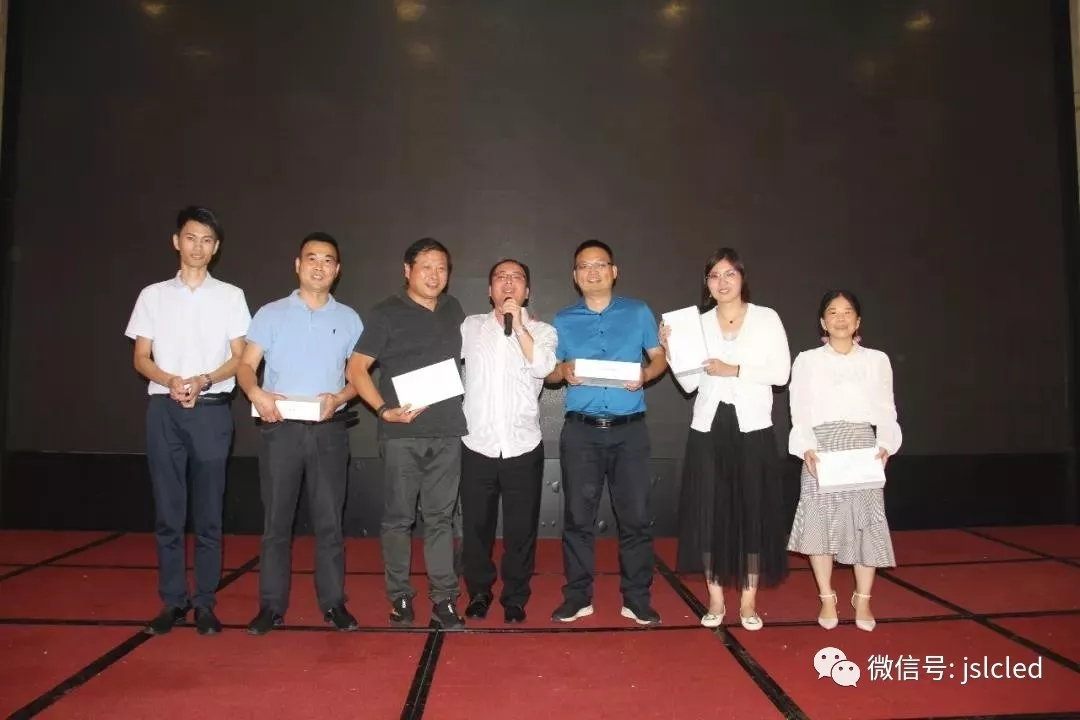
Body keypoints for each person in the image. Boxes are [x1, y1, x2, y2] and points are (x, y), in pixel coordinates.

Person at [124, 205, 250, 636]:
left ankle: (205, 603)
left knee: (209, 513)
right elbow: (141, 357)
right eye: (191, 238)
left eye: (207, 240)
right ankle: (173, 601)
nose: (198, 247)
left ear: (216, 248)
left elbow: (240, 358)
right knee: (168, 512)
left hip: (212, 411)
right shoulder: (153, 295)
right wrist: (171, 380)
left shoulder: (231, 296)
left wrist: (202, 380)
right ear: (177, 241)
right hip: (164, 410)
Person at [237, 233, 363, 635]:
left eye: (328, 260)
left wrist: (339, 397)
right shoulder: (270, 313)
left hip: (329, 432)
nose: (319, 266)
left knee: (330, 523)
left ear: (337, 270)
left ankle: (334, 603)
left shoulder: (350, 319)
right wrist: (256, 393)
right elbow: (246, 365)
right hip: (281, 431)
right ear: (298, 265)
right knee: (276, 524)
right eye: (312, 258)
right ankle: (271, 606)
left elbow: (359, 377)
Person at [663, 247, 790, 631]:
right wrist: (671, 350)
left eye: (729, 274)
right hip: (708, 428)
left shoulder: (766, 318)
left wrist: (734, 369)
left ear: (742, 278)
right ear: (707, 283)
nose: (722, 282)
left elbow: (781, 373)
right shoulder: (697, 323)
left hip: (752, 428)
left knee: (753, 513)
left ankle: (748, 603)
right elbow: (689, 384)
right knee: (709, 514)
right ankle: (715, 598)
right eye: (714, 276)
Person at [346, 238, 467, 629]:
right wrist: (383, 410)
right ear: (407, 270)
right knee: (398, 519)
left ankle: (444, 599)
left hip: (447, 432)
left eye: (441, 268)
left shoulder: (454, 309)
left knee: (441, 519)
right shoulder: (385, 312)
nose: (434, 275)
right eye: (426, 266)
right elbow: (356, 369)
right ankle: (399, 596)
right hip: (402, 435)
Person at [546, 239, 668, 626]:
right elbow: (549, 373)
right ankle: (577, 597)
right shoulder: (563, 320)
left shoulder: (638, 312)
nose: (593, 272)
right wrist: (562, 371)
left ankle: (637, 598)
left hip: (629, 432)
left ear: (614, 271)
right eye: (584, 266)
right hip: (581, 432)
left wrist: (645, 375)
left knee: (636, 519)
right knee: (577, 519)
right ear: (575, 276)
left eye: (600, 264)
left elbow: (659, 357)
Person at [786, 290, 901, 632]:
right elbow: (799, 409)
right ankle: (826, 596)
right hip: (820, 445)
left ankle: (863, 599)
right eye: (833, 312)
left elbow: (886, 408)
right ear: (823, 322)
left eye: (847, 312)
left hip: (862, 445)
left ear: (858, 321)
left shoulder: (876, 360)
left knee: (866, 522)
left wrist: (885, 444)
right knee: (819, 523)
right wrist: (806, 446)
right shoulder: (807, 360)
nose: (840, 318)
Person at [459, 259, 558, 624]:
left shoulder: (543, 331)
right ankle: (479, 592)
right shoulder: (470, 327)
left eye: (517, 278)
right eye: (500, 277)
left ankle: (515, 596)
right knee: (476, 527)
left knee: (521, 529)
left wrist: (518, 327)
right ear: (490, 290)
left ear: (526, 291)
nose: (508, 283)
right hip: (477, 443)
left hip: (523, 445)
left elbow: (544, 368)